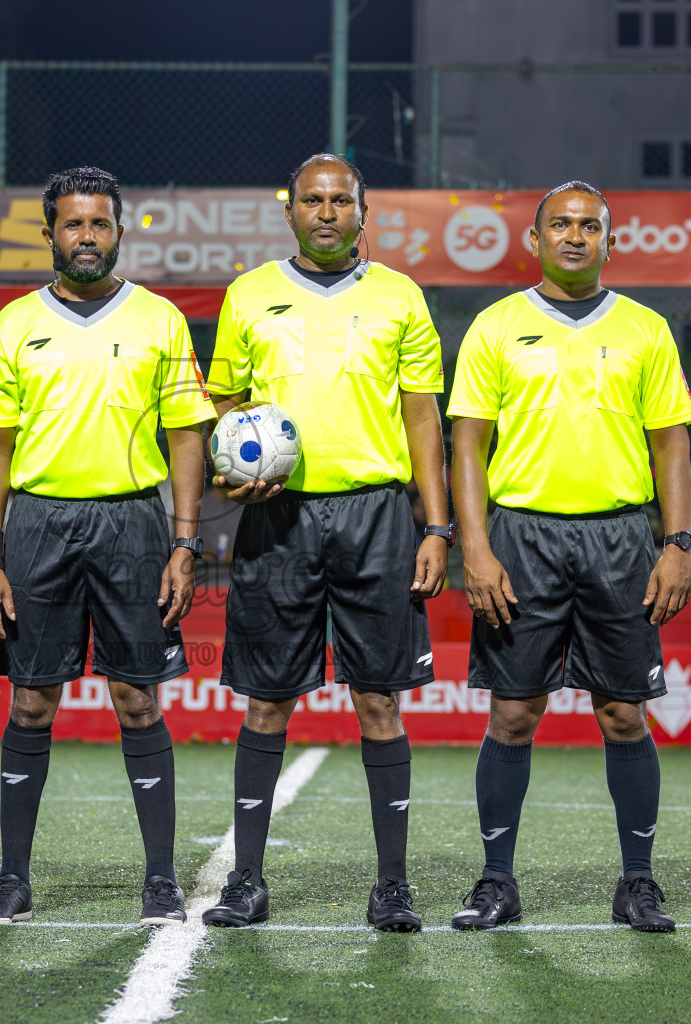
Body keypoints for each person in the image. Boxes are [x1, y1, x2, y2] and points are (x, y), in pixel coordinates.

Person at [199, 154, 449, 933]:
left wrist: (435, 525)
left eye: (342, 199)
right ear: (292, 211)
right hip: (278, 519)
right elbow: (226, 414)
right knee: (268, 701)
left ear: (363, 212)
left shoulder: (400, 296)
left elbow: (422, 420)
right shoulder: (249, 295)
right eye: (314, 199)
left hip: (377, 515)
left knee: (379, 699)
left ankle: (393, 886)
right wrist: (227, 480)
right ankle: (246, 881)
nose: (328, 211)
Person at [0, 167, 213, 927]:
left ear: (119, 231)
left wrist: (184, 541)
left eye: (99, 224)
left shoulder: (160, 320)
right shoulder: (12, 324)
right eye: (72, 225)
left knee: (137, 699)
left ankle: (162, 879)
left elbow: (185, 435)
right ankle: (12, 878)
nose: (86, 237)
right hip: (38, 524)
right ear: (49, 234)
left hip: (134, 525)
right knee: (32, 701)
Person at [447, 182, 691, 934]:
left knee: (624, 715)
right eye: (562, 224)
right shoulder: (496, 326)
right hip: (521, 536)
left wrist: (678, 544)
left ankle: (639, 883)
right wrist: (477, 549)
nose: (576, 236)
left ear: (610, 241)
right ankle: (496, 882)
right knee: (514, 714)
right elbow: (467, 445)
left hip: (621, 539)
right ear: (536, 239)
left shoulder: (647, 329)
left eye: (591, 225)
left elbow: (671, 444)